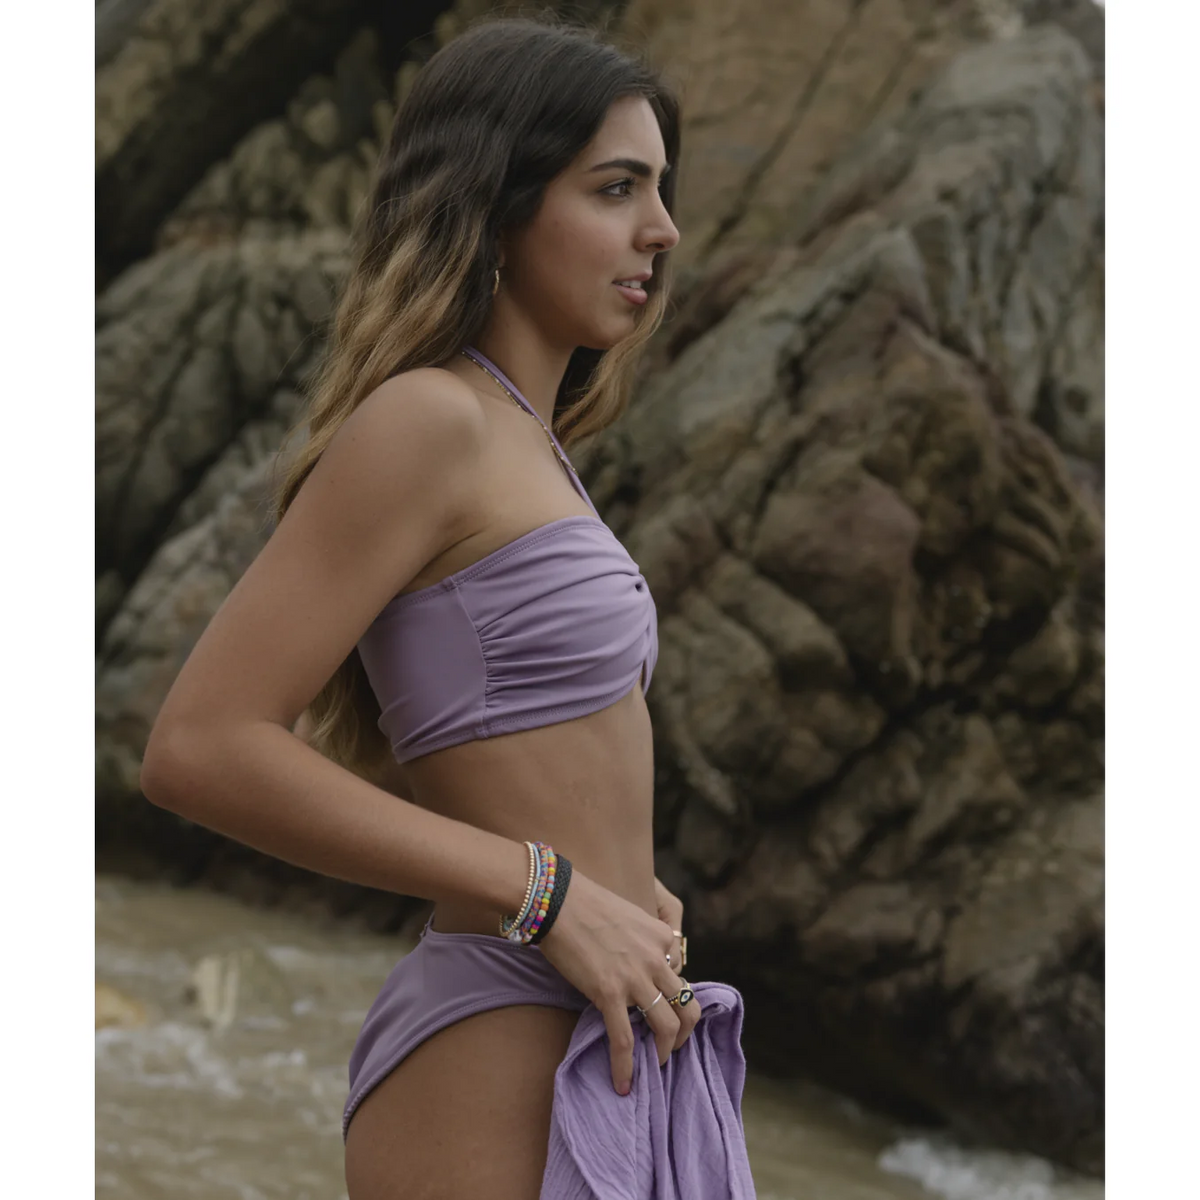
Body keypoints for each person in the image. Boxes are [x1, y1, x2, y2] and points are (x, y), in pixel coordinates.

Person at [141, 14, 755, 1199]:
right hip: (496, 1051)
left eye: (660, 190)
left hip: (612, 1031)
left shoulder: (534, 442)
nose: (661, 231)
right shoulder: (430, 421)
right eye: (615, 187)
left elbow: (510, 740)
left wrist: (624, 885)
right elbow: (200, 747)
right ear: (500, 201)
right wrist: (551, 890)